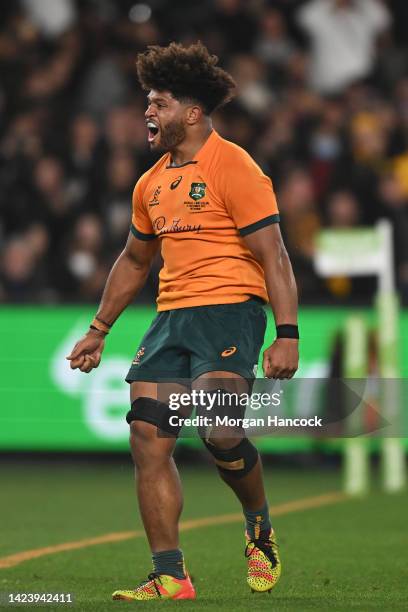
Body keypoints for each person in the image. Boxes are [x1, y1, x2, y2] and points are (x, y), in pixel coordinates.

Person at [67, 42, 299, 601]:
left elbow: (274, 255)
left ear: (192, 113)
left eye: (159, 103)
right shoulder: (150, 183)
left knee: (220, 430)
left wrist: (285, 333)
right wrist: (99, 329)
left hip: (229, 314)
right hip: (171, 317)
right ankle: (170, 574)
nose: (148, 111)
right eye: (148, 102)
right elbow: (135, 260)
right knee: (147, 437)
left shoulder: (234, 165)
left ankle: (259, 526)